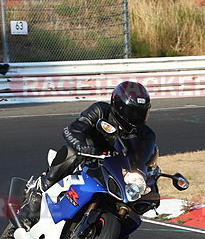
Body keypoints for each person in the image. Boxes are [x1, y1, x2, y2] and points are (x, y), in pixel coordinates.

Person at [17, 81, 159, 224]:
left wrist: (149, 176)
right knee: (71, 153)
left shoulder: (146, 135)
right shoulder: (100, 110)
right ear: (119, 106)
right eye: (133, 112)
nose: (137, 117)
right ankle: (37, 197)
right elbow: (73, 128)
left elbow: (145, 160)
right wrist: (82, 146)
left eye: (141, 113)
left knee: (133, 211)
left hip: (114, 171)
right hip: (88, 158)